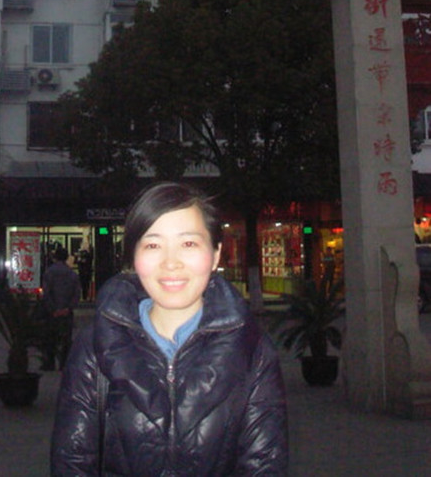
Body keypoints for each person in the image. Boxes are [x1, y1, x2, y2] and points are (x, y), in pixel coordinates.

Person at [51, 182, 288, 476]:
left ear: (215, 254)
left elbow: (264, 465)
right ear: (134, 256)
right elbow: (72, 462)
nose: (171, 263)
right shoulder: (96, 344)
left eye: (188, 244)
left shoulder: (252, 349)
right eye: (153, 245)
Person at [42, 246, 81, 370]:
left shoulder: (49, 272)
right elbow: (76, 294)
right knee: (66, 339)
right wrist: (68, 308)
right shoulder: (72, 274)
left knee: (50, 338)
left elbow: (46, 293)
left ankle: (49, 363)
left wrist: (52, 309)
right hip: (66, 311)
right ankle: (64, 363)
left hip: (52, 312)